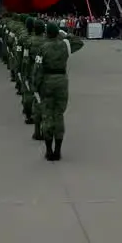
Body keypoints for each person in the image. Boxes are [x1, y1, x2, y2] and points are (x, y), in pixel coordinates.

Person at [37, 21, 85, 161]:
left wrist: (36, 86)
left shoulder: (43, 47)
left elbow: (37, 69)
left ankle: (48, 150)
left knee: (47, 114)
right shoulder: (65, 45)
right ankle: (58, 151)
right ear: (57, 33)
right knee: (58, 114)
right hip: (61, 81)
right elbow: (79, 42)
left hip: (47, 81)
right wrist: (64, 34)